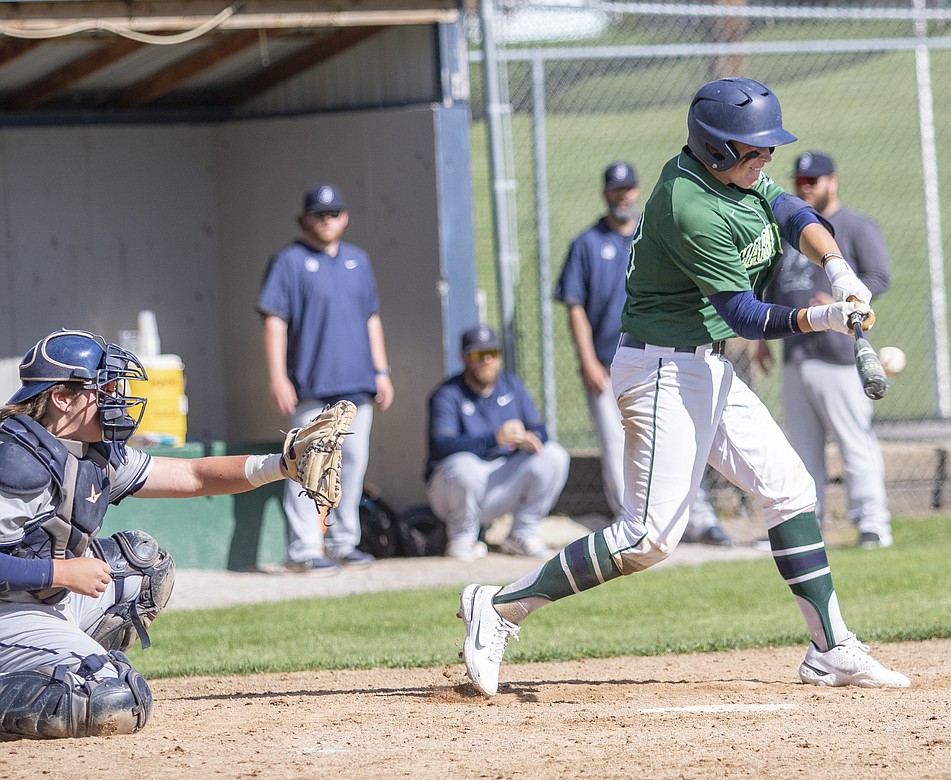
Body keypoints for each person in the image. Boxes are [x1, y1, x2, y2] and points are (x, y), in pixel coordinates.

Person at [458, 77, 909, 697]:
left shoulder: (737, 178)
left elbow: (792, 212)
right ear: (718, 150)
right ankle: (500, 606)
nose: (766, 160)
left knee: (789, 489)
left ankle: (831, 649)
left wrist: (838, 267)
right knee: (646, 539)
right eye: (755, 151)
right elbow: (747, 316)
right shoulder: (690, 204)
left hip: (706, 366)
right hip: (662, 370)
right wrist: (824, 315)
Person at [0, 329, 330, 738]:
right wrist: (60, 574)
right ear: (61, 398)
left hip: (44, 601)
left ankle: (56, 658)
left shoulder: (91, 450)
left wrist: (281, 464)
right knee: (113, 699)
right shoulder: (15, 461)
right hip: (10, 611)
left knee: (142, 566)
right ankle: (56, 668)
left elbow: (191, 474)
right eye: (102, 387)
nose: (116, 398)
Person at [554, 161, 733, 546]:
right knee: (620, 446)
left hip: (665, 357)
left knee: (685, 439)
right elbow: (575, 306)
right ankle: (632, 526)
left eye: (629, 188)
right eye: (616, 189)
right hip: (606, 362)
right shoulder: (586, 244)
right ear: (605, 194)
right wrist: (586, 359)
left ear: (638, 190)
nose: (623, 195)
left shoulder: (656, 234)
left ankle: (697, 518)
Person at [756, 151, 893, 548]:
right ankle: (807, 525)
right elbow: (773, 287)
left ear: (832, 181)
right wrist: (760, 339)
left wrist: (841, 303)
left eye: (813, 181)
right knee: (801, 451)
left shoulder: (853, 227)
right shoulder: (788, 232)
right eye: (800, 182)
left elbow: (878, 276)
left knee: (854, 442)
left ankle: (872, 523)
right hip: (795, 353)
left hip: (840, 354)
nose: (805, 188)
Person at [258, 184, 394, 574]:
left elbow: (371, 318)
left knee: (352, 464)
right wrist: (278, 377)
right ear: (304, 220)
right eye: (319, 214)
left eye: (333, 213)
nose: (327, 221)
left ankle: (343, 542)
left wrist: (382, 371)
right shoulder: (288, 261)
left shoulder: (358, 260)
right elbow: (274, 322)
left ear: (345, 217)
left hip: (357, 384)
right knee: (304, 465)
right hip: (310, 384)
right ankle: (303, 549)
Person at [426, 324, 570, 562]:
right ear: (464, 358)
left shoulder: (511, 385)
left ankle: (522, 533)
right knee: (464, 465)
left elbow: (541, 431)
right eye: (479, 354)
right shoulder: (447, 393)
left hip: (500, 482)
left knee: (554, 455)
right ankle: (462, 537)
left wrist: (528, 438)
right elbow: (441, 446)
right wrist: (495, 438)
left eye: (493, 353)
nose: (488, 360)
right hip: (452, 490)